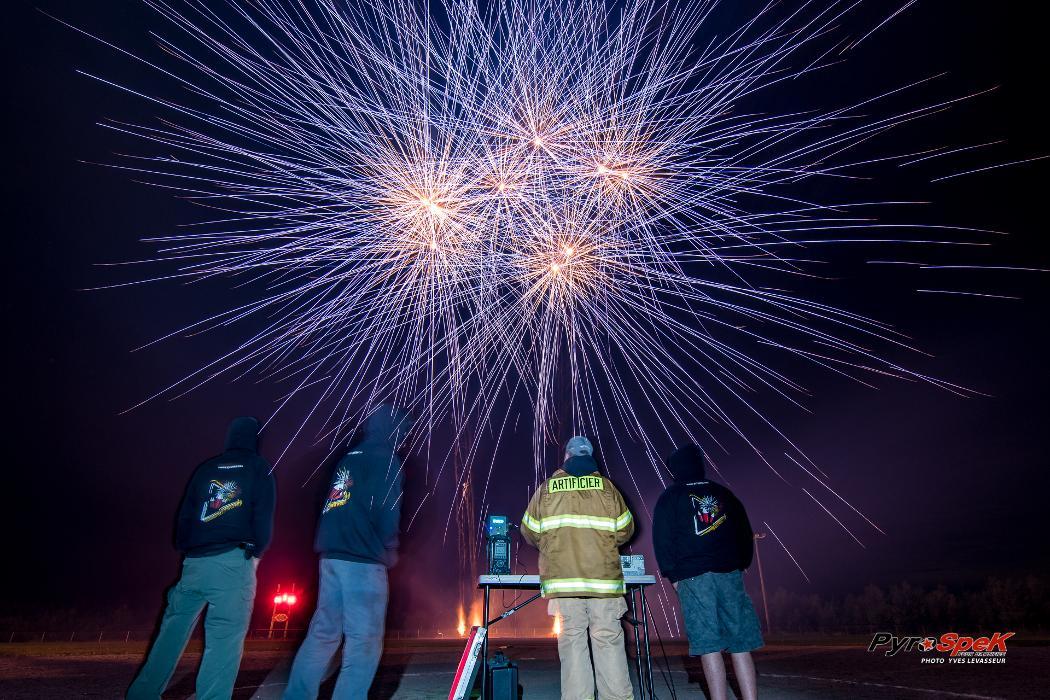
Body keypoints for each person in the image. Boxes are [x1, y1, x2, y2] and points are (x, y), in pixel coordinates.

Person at [127, 416, 276, 700]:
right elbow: (263, 517)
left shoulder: (205, 468)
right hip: (233, 561)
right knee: (223, 639)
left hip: (194, 562)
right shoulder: (259, 468)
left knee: (171, 633)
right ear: (256, 439)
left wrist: (186, 547)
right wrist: (256, 552)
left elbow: (184, 515)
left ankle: (142, 694)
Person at [284, 404, 413, 700]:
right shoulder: (386, 460)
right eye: (404, 430)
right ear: (393, 429)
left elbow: (334, 502)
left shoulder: (349, 457)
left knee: (323, 634)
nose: (406, 437)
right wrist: (390, 548)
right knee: (363, 641)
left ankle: (296, 695)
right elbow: (387, 509)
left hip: (331, 556)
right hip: (362, 560)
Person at [521, 436, 635, 700]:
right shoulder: (608, 488)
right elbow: (625, 530)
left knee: (572, 642)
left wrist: (553, 546)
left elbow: (529, 531)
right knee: (607, 640)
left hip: (564, 582)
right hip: (604, 582)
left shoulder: (547, 489)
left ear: (567, 457)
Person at [652, 444, 762, 700]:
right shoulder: (724, 493)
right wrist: (743, 562)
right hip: (729, 573)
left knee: (708, 645)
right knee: (740, 643)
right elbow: (744, 532)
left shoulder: (670, 498)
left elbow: (663, 540)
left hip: (693, 577)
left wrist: (673, 575)